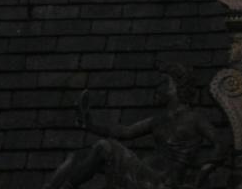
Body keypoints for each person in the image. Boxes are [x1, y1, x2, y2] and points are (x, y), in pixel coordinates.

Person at [41, 63, 226, 189]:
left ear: (174, 87)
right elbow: (126, 131)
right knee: (78, 157)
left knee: (104, 146)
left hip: (162, 182)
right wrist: (91, 126)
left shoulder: (195, 119)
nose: (156, 89)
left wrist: (202, 173)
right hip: (147, 175)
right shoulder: (159, 119)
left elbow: (221, 144)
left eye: (162, 83)